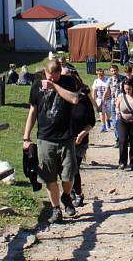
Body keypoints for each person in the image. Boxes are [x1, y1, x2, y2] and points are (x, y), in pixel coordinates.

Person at [22, 58, 82, 223]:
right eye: (49, 76)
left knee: (69, 174)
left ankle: (67, 196)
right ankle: (56, 209)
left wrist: (55, 86)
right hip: (45, 138)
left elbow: (74, 99)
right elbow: (33, 111)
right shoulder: (36, 86)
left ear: (59, 72)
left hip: (66, 137)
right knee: (49, 177)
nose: (51, 79)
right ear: (45, 72)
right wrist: (26, 137)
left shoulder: (68, 82)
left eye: (55, 76)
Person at [70, 71, 96, 207]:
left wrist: (82, 134)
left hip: (80, 140)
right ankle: (71, 192)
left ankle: (78, 193)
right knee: (64, 169)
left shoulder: (84, 99)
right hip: (64, 140)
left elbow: (92, 121)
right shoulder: (62, 98)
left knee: (74, 167)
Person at [108, 64, 126, 148]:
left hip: (123, 103)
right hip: (113, 103)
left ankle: (125, 139)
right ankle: (118, 139)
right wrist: (101, 103)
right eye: (112, 71)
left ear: (118, 70)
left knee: (123, 121)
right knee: (115, 123)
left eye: (115, 70)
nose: (114, 72)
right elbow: (107, 91)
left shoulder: (123, 79)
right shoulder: (109, 80)